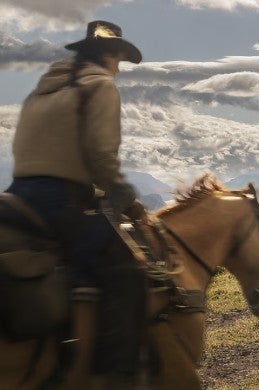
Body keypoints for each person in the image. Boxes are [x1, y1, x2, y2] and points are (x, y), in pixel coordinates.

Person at [6, 20, 147, 379]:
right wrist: (129, 202)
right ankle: (117, 377)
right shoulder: (101, 87)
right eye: (119, 59)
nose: (119, 68)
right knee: (127, 272)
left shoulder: (44, 89)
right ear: (108, 54)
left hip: (17, 196)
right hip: (61, 200)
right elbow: (101, 157)